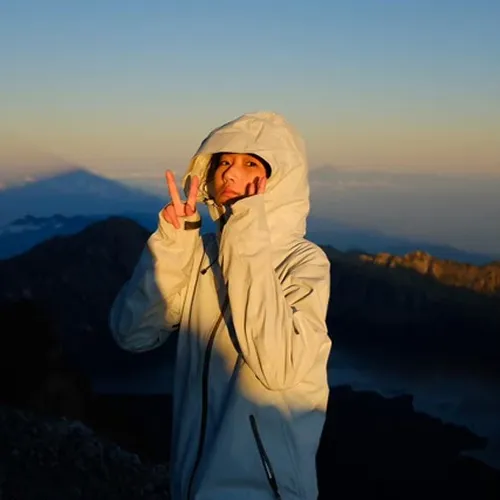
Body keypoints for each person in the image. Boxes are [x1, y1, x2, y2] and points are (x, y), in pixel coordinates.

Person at [109, 111, 332, 500]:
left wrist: (246, 233)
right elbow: (133, 333)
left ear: (281, 180)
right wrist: (175, 244)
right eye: (223, 162)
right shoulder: (202, 256)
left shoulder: (304, 262)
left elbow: (279, 366)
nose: (229, 173)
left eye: (249, 164)